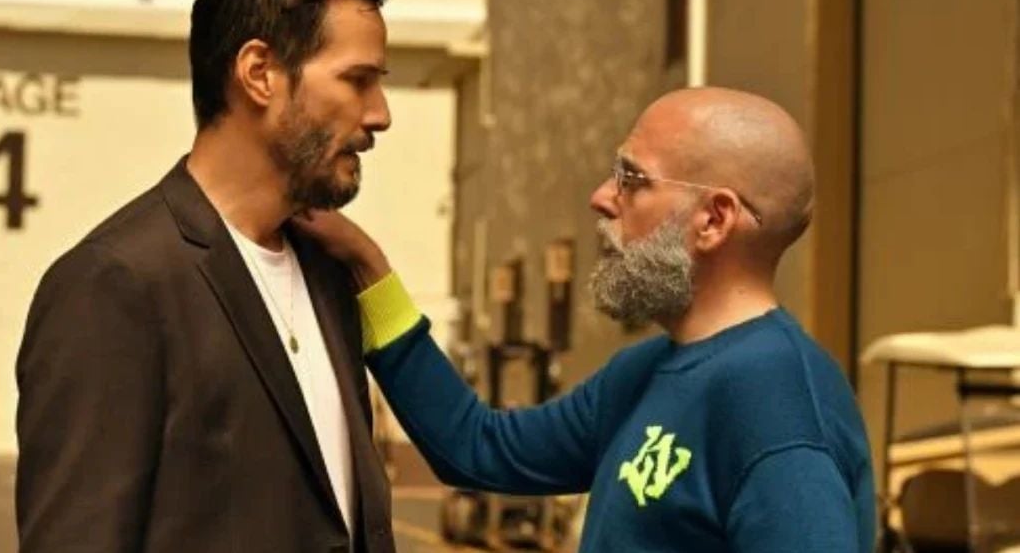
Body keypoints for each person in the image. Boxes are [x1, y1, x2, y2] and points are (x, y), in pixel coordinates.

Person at [298, 87, 876, 552]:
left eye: (632, 179)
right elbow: (476, 447)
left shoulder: (782, 416)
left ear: (714, 220)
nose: (601, 197)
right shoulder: (642, 373)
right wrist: (367, 269)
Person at [15, 0, 396, 552]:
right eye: (357, 80)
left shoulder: (329, 273)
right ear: (259, 73)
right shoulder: (115, 284)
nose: (380, 115)